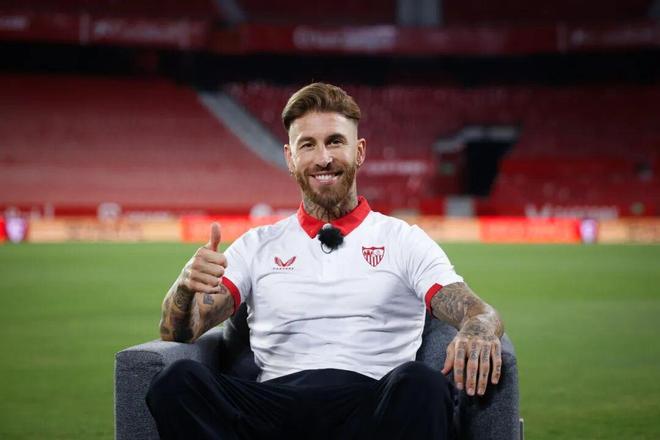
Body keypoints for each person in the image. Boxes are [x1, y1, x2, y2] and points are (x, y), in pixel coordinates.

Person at [146, 83, 504, 439]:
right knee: (176, 382)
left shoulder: (403, 240)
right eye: (308, 145)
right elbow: (179, 331)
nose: (323, 158)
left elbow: (477, 310)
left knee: (423, 384)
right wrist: (185, 285)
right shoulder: (256, 245)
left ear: (359, 151)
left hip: (371, 406)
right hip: (274, 409)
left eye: (335, 142)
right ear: (290, 157)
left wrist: (479, 328)